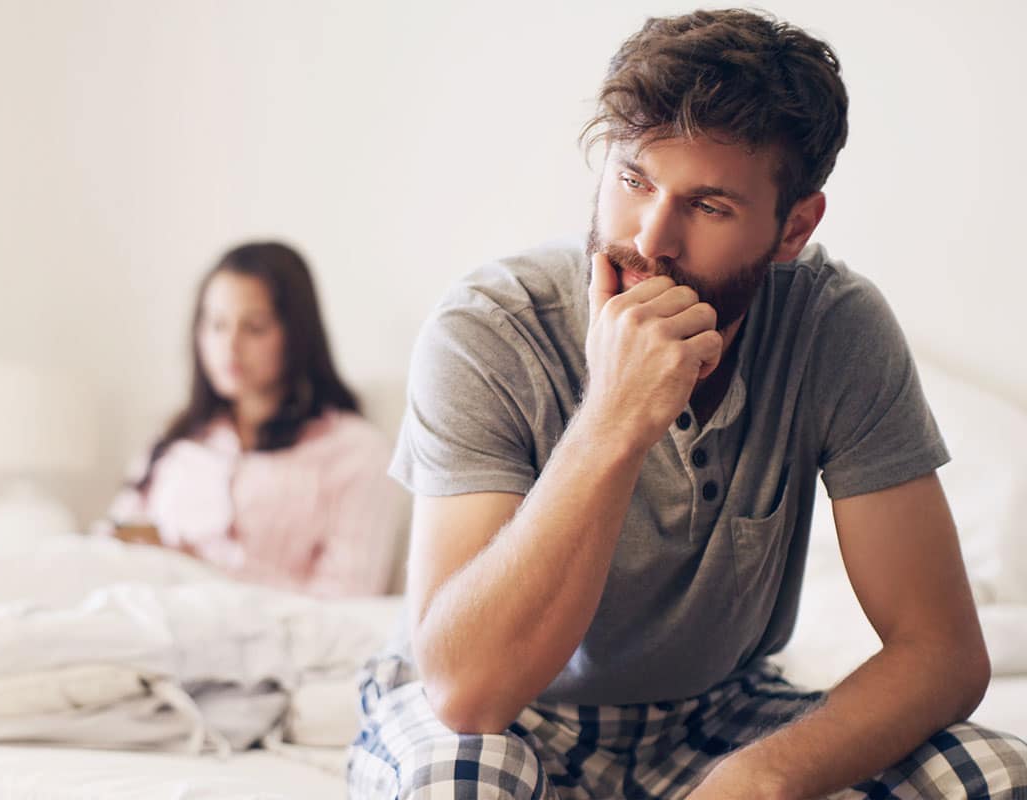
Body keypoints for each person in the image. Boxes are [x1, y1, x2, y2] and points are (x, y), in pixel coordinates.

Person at [348, 9, 1027, 799]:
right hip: (500, 715)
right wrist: (612, 418)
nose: (652, 237)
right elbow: (467, 694)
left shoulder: (834, 328)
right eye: (634, 180)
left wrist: (762, 777)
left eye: (708, 206)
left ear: (793, 228)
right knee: (464, 781)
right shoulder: (489, 328)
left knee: (991, 773)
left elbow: (942, 650)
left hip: (714, 714)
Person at [100, 241, 402, 598]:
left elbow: (348, 597)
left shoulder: (355, 451)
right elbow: (109, 542)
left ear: (297, 334)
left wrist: (201, 568)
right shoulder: (175, 441)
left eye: (255, 327)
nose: (230, 345)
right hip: (138, 615)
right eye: (216, 325)